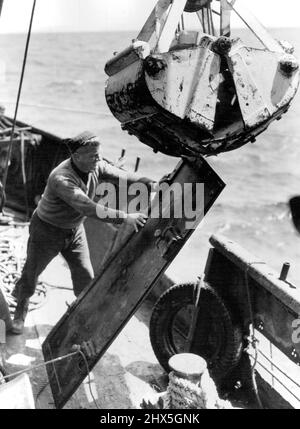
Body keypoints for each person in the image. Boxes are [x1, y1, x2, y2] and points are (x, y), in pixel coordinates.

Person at [11, 131, 153, 334]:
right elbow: (88, 207)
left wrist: (149, 182)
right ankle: (20, 312)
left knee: (85, 276)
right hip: (47, 231)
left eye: (98, 155)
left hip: (74, 230)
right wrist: (125, 217)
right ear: (76, 157)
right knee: (31, 273)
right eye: (93, 156)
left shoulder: (95, 164)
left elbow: (121, 174)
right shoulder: (61, 178)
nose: (98, 159)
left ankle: (81, 315)